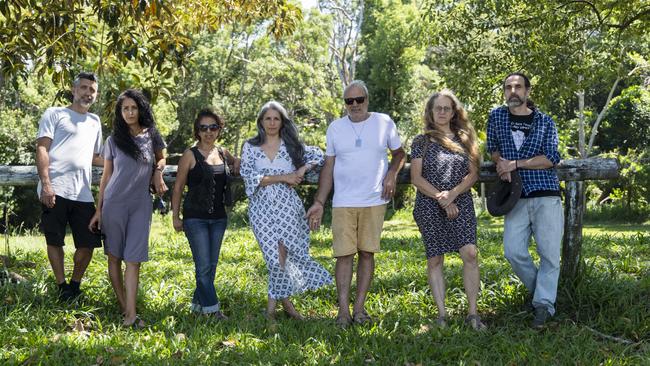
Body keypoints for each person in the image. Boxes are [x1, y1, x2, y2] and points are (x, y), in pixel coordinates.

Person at [306, 80, 406, 328]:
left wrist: (392, 173)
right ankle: (343, 312)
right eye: (349, 101)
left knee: (366, 253)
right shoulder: (335, 128)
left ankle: (359, 309)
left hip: (374, 199)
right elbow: (328, 166)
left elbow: (400, 154)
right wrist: (319, 201)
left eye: (359, 100)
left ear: (367, 100)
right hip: (343, 202)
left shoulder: (383, 122)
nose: (355, 105)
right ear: (345, 104)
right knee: (343, 255)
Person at [240, 101, 332, 320]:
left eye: (276, 118)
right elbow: (250, 176)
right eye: (267, 118)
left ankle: (273, 311)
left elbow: (319, 156)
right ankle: (285, 307)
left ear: (282, 122)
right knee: (273, 258)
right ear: (261, 122)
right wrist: (285, 177)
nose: (272, 123)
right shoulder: (250, 146)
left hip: (287, 206)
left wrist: (302, 168)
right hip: (261, 207)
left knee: (281, 256)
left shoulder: (290, 145)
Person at [486, 72, 563, 329]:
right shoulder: (496, 117)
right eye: (508, 87)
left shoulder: (545, 122)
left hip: (545, 194)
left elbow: (551, 158)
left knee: (550, 254)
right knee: (513, 251)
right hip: (515, 195)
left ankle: (543, 305)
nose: (513, 91)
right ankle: (542, 292)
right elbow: (493, 148)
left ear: (528, 91)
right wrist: (501, 164)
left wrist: (515, 163)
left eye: (518, 86)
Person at [88, 89, 168, 328]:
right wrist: (98, 209)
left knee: (134, 261)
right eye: (125, 109)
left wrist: (158, 172)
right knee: (114, 257)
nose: (130, 112)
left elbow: (162, 157)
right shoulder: (113, 140)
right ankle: (126, 310)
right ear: (120, 112)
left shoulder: (151, 134)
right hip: (114, 204)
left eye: (133, 108)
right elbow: (107, 175)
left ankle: (131, 315)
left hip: (140, 205)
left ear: (140, 109)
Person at [410, 90, 484, 330]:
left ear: (454, 112)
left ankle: (473, 314)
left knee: (470, 253)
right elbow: (416, 178)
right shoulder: (421, 141)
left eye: (447, 108)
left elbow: (473, 175)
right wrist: (442, 199)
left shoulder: (466, 139)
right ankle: (442, 316)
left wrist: (452, 195)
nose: (442, 112)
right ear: (431, 112)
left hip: (460, 201)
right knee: (435, 259)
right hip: (429, 203)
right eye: (438, 108)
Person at [36, 71, 104, 301]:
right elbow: (42, 148)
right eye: (84, 88)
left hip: (82, 193)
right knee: (54, 240)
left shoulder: (95, 122)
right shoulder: (55, 114)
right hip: (55, 188)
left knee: (88, 243)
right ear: (74, 90)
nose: (88, 93)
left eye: (92, 90)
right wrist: (46, 184)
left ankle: (74, 285)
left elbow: (96, 157)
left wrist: (129, 162)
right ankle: (61, 286)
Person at [171, 108, 240, 319]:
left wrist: (236, 162)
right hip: (195, 218)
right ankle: (213, 311)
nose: (208, 132)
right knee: (202, 267)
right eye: (203, 128)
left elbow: (235, 161)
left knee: (211, 266)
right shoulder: (189, 155)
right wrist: (175, 216)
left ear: (219, 129)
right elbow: (178, 187)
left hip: (218, 219)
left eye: (213, 127)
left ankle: (197, 309)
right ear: (197, 131)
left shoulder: (222, 152)